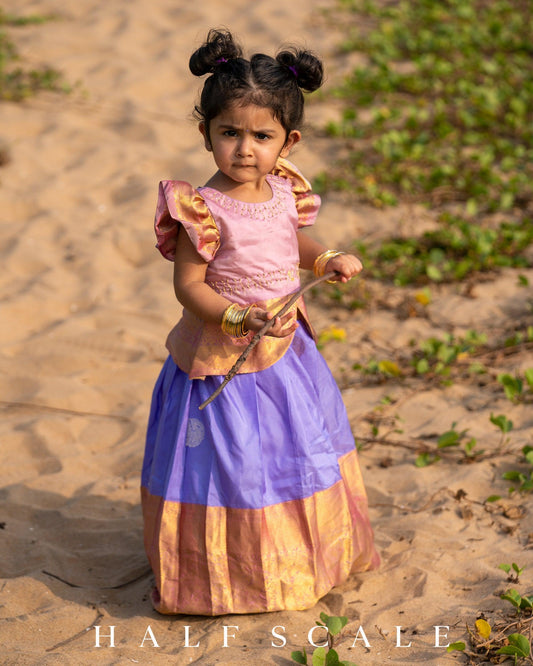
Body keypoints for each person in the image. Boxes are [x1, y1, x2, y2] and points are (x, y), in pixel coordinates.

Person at [141, 28, 379, 616]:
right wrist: (236, 315)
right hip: (225, 359)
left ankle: (298, 557)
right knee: (235, 460)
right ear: (206, 134)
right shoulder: (202, 207)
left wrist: (325, 258)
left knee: (292, 450)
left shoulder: (282, 191)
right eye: (229, 133)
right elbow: (189, 286)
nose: (245, 149)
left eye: (262, 136)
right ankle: (229, 573)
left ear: (287, 141)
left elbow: (291, 241)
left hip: (287, 356)